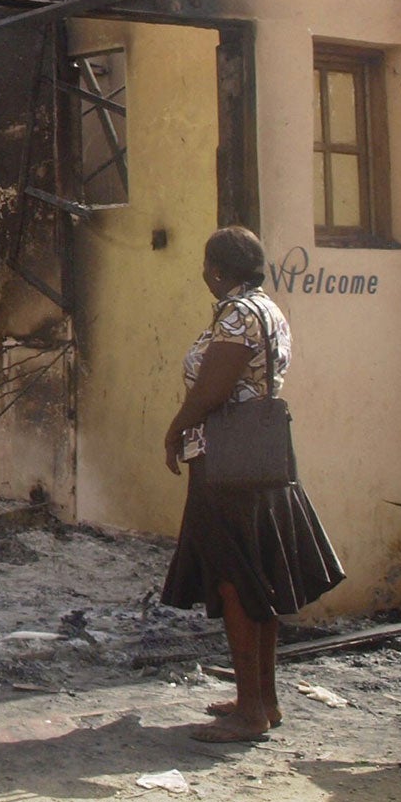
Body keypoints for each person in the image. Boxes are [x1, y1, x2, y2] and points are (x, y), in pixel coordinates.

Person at [160, 226, 344, 743]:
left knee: (235, 581)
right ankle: (263, 698)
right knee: (256, 578)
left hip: (227, 466)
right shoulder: (267, 309)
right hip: (261, 458)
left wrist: (174, 431)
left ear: (217, 270)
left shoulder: (237, 314)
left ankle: (250, 711)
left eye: (205, 266)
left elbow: (213, 388)